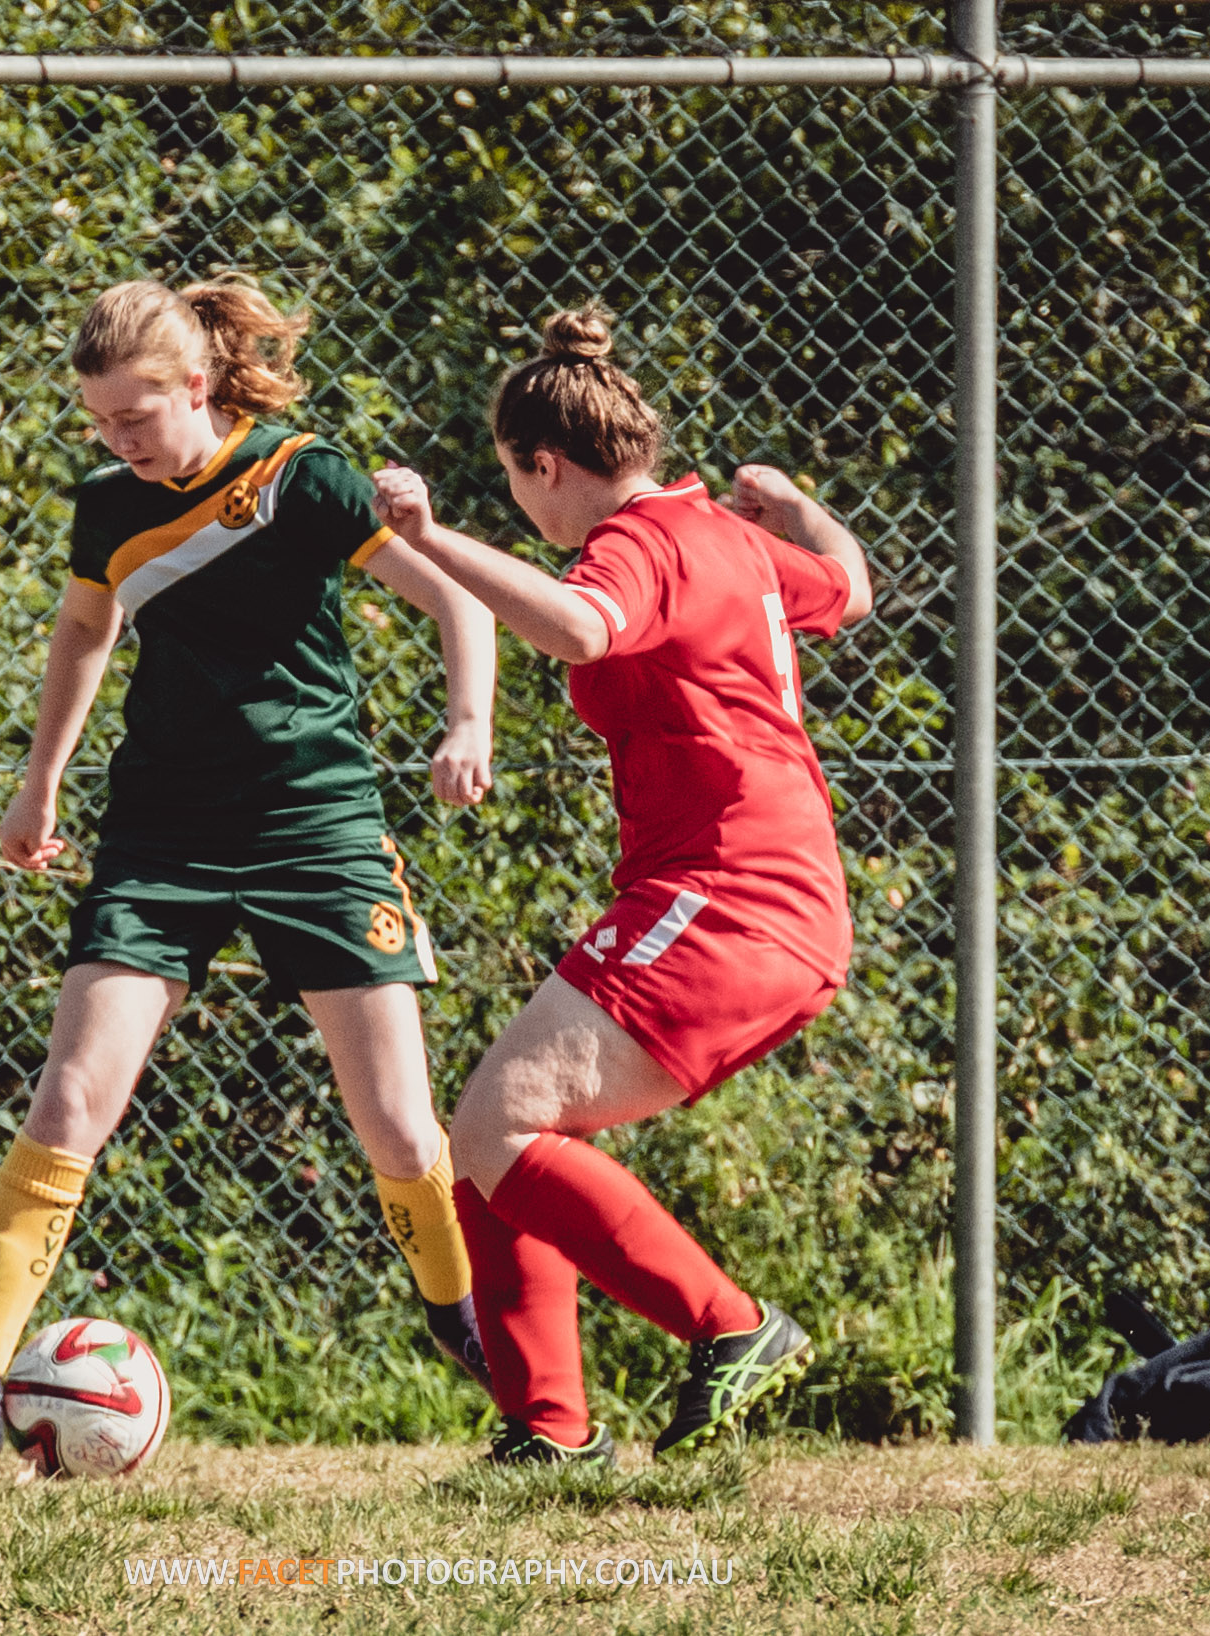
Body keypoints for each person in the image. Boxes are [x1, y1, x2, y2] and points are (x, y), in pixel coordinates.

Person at [0, 278, 498, 1480]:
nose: (117, 442)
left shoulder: (302, 476)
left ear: (195, 388)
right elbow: (84, 633)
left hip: (318, 822)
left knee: (402, 1129)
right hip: (160, 836)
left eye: (135, 419)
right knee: (65, 1109)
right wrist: (40, 783)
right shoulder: (109, 506)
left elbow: (457, 602)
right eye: (100, 423)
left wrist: (467, 723)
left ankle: (474, 1340)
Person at [368, 305, 875, 1465]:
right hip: (766, 899)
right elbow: (849, 587)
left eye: (514, 483)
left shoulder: (637, 546)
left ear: (546, 464)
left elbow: (583, 629)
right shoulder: (729, 535)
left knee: (495, 1127)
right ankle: (546, 1431)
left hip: (732, 894)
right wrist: (798, 506)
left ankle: (733, 1325)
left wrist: (437, 539)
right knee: (503, 1134)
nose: (524, 510)